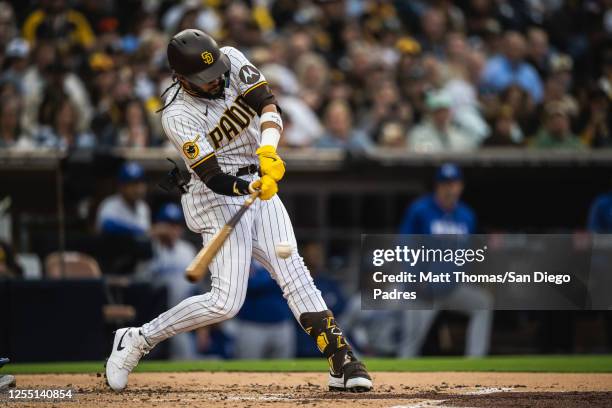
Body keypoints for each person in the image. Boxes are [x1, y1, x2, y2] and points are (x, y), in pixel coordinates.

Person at [105, 29, 372, 393]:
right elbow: (213, 177)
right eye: (204, 77)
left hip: (256, 174)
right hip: (213, 196)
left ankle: (342, 361)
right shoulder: (177, 114)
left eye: (216, 70)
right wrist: (248, 186)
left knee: (292, 268)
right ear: (181, 78)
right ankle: (137, 338)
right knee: (225, 302)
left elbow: (267, 103)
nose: (215, 79)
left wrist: (268, 151)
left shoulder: (231, 58)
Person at [397, 163, 492, 357]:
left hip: (452, 287)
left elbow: (468, 253)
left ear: (461, 186)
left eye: (453, 183)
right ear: (437, 186)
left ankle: (476, 363)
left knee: (482, 302)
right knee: (410, 344)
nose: (449, 188)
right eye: (445, 183)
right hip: (423, 289)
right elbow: (404, 244)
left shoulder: (466, 215)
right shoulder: (420, 209)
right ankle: (399, 384)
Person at [145, 203, 199, 360]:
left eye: (176, 225)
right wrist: (150, 236)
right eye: (168, 225)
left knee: (186, 359)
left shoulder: (187, 250)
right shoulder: (150, 247)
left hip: (179, 316)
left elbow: (196, 289)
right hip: (152, 316)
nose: (172, 230)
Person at [233, 261, 295, 359]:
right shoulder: (243, 258)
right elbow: (249, 285)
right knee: (248, 369)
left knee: (284, 370)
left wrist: (260, 277)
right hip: (252, 326)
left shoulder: (281, 259)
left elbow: (292, 282)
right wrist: (276, 276)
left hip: (282, 324)